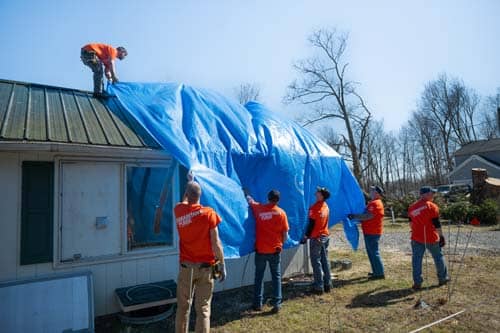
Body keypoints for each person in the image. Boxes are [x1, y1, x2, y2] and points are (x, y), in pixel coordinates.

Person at [174, 181, 226, 333]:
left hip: (186, 268)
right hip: (205, 269)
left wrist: (187, 185)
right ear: (200, 195)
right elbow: (216, 242)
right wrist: (222, 264)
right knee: (203, 308)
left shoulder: (178, 210)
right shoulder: (209, 213)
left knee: (183, 307)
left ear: (186, 194)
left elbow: (184, 201)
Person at [246, 189, 289, 313]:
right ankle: (277, 304)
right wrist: (280, 244)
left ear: (268, 197)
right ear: (278, 200)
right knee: (276, 277)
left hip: (261, 250)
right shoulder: (281, 213)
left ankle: (257, 304)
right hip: (275, 250)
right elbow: (285, 234)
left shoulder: (259, 209)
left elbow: (251, 202)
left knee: (259, 276)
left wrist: (247, 193)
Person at [408, 186, 449, 290]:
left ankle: (417, 283)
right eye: (432, 193)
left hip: (416, 237)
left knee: (416, 260)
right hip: (431, 237)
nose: (433, 195)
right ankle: (443, 278)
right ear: (424, 194)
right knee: (438, 257)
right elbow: (437, 223)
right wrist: (441, 236)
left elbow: (411, 223)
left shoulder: (412, 207)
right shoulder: (432, 206)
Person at [348, 185, 385, 280]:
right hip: (369, 231)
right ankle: (376, 271)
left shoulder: (376, 203)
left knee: (373, 252)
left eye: (372, 191)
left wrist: (355, 216)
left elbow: (368, 216)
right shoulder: (372, 203)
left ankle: (379, 274)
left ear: (377, 193)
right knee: (371, 252)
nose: (370, 192)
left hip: (373, 232)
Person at [301, 186, 332, 294]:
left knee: (316, 262)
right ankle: (327, 284)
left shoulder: (314, 208)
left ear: (321, 195)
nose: (315, 193)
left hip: (316, 238)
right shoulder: (326, 206)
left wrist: (305, 236)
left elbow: (311, 224)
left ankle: (319, 286)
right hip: (325, 236)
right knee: (325, 260)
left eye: (317, 192)